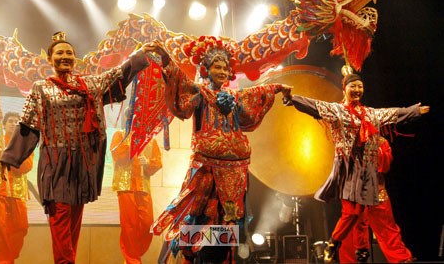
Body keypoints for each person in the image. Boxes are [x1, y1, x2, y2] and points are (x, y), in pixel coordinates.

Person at [0, 32, 161, 264]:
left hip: (84, 164)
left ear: (75, 57)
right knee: (60, 224)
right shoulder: (41, 88)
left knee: (73, 226)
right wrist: (11, 156)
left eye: (69, 53)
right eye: (60, 53)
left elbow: (117, 74)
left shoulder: (89, 84)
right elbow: (28, 125)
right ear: (50, 58)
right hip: (55, 164)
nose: (65, 56)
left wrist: (140, 55)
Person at [149, 36, 292, 263]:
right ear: (206, 69)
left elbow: (258, 92)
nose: (223, 71)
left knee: (228, 218)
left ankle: (216, 257)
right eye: (217, 66)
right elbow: (180, 85)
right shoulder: (200, 93)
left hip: (234, 172)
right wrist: (165, 58)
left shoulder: (235, 98)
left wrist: (279, 88)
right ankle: (194, 255)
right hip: (206, 170)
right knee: (200, 212)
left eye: (226, 67)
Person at [283, 73, 429, 263]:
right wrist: (292, 99)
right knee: (353, 216)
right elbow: (314, 105)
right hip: (349, 171)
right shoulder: (336, 111)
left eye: (360, 86)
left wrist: (414, 111)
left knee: (383, 217)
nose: (357, 90)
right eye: (353, 86)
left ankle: (400, 258)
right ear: (344, 89)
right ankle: (343, 252)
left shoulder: (371, 114)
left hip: (371, 174)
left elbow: (393, 113)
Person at [339, 136, 415, 263]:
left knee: (387, 230)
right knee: (351, 231)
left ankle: (401, 259)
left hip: (375, 192)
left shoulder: (380, 142)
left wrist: (372, 147)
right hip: (354, 193)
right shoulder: (346, 140)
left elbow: (384, 166)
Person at [0, 110, 34, 264]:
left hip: (17, 191)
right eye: (10, 120)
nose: (13, 123)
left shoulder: (25, 145)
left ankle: (10, 256)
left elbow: (26, 167)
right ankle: (5, 261)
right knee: (1, 229)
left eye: (17, 121)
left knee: (21, 227)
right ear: (4, 124)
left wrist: (10, 156)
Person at [110, 129, 162, 264]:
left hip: (143, 187)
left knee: (147, 223)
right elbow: (116, 153)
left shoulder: (150, 139)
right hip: (126, 186)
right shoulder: (120, 135)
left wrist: (148, 163)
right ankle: (132, 260)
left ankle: (133, 255)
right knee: (129, 225)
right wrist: (133, 145)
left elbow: (157, 163)